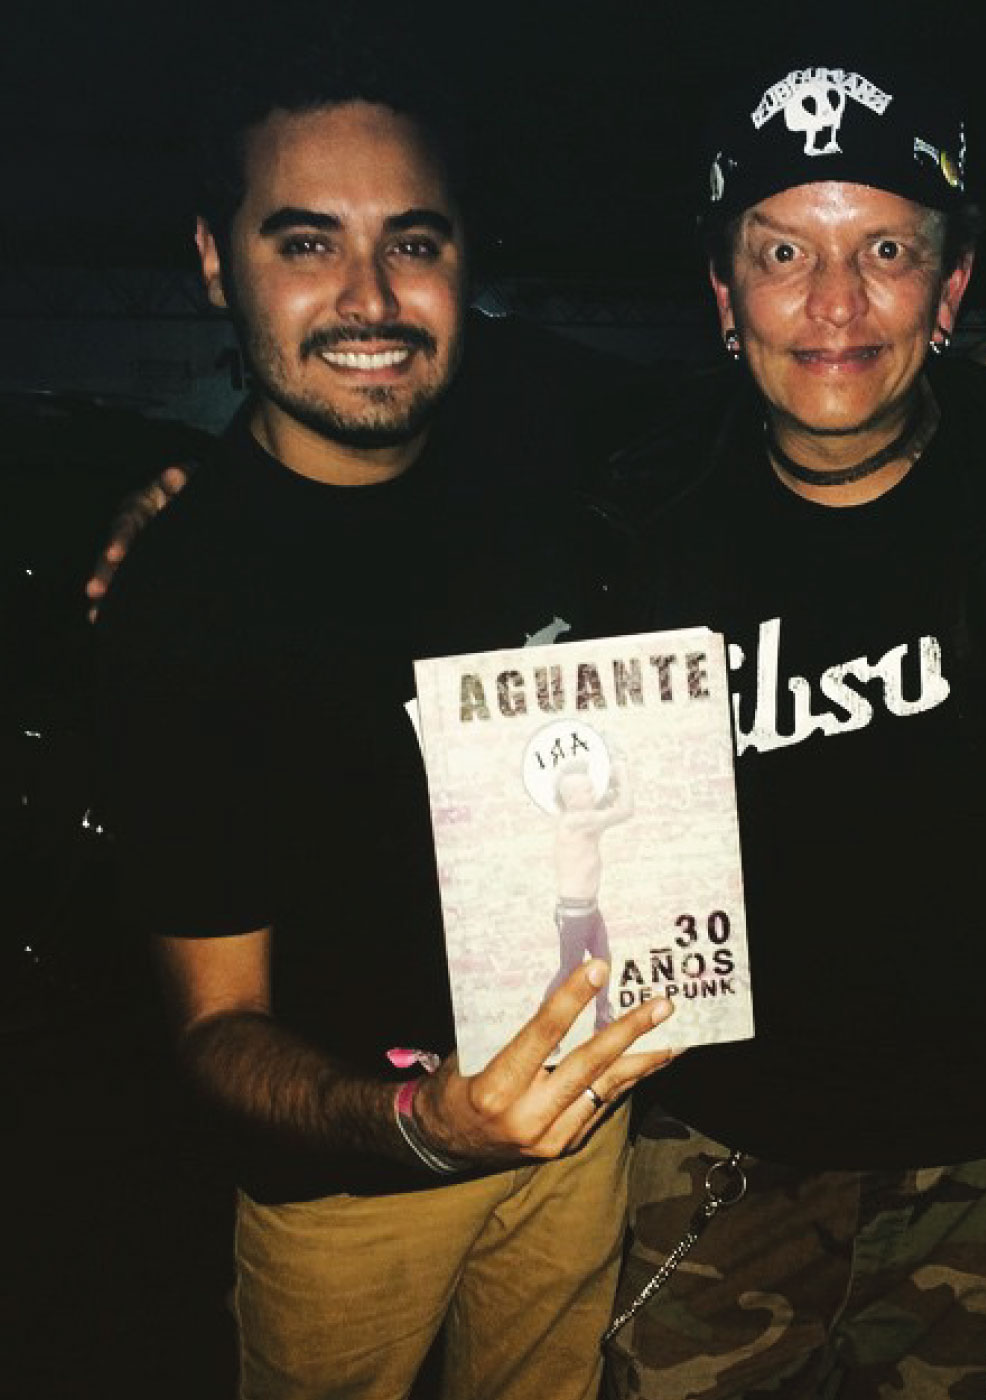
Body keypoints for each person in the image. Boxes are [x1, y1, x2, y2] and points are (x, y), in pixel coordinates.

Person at [95, 55, 673, 1400]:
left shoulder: (547, 437)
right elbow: (216, 1030)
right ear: (214, 261)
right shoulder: (180, 603)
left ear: (464, 259)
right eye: (306, 243)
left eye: (412, 242)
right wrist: (424, 1122)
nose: (369, 298)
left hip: (584, 1121)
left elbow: (799, 385)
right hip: (347, 1190)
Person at [601, 58, 986, 1399]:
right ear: (722, 294)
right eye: (782, 253)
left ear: (951, 289)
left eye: (885, 250)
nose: (834, 303)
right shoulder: (624, 507)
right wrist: (190, 495)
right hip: (714, 1153)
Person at [544, 750, 634, 1027]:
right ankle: (544, 1023)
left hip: (590, 909)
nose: (593, 792)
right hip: (574, 914)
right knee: (569, 970)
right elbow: (625, 810)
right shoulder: (577, 821)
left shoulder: (583, 818)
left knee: (603, 960)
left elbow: (605, 800)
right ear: (571, 799)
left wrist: (611, 786)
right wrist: (621, 771)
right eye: (586, 790)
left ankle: (603, 1019)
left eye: (591, 787)